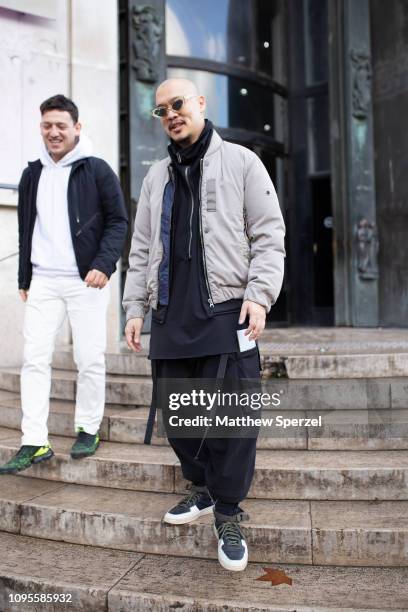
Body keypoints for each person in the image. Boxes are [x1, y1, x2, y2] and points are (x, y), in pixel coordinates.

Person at [123, 78, 285, 572]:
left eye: (178, 104)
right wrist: (134, 307)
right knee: (178, 417)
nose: (170, 114)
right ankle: (201, 490)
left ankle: (229, 512)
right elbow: (141, 248)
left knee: (232, 422)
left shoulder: (240, 161)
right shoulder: (156, 178)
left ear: (199, 104)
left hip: (225, 310)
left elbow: (268, 232)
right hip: (171, 314)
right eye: (161, 110)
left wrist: (259, 296)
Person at [0, 94, 128, 475]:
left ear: (77, 127)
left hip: (86, 282)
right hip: (43, 281)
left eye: (61, 125)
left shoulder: (97, 170)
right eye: (47, 125)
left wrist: (104, 264)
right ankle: (34, 440)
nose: (53, 132)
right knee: (34, 360)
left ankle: (88, 428)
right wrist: (25, 276)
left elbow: (119, 221)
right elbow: (27, 229)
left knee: (88, 358)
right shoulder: (31, 173)